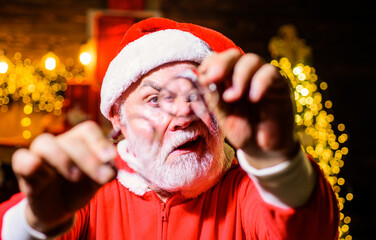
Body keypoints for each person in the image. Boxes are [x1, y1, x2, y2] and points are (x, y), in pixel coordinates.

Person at [0, 17, 339, 239]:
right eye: (155, 99)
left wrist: (276, 159)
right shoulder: (86, 190)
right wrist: (35, 225)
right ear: (118, 118)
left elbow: (308, 230)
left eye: (199, 95)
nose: (183, 115)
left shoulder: (248, 191)